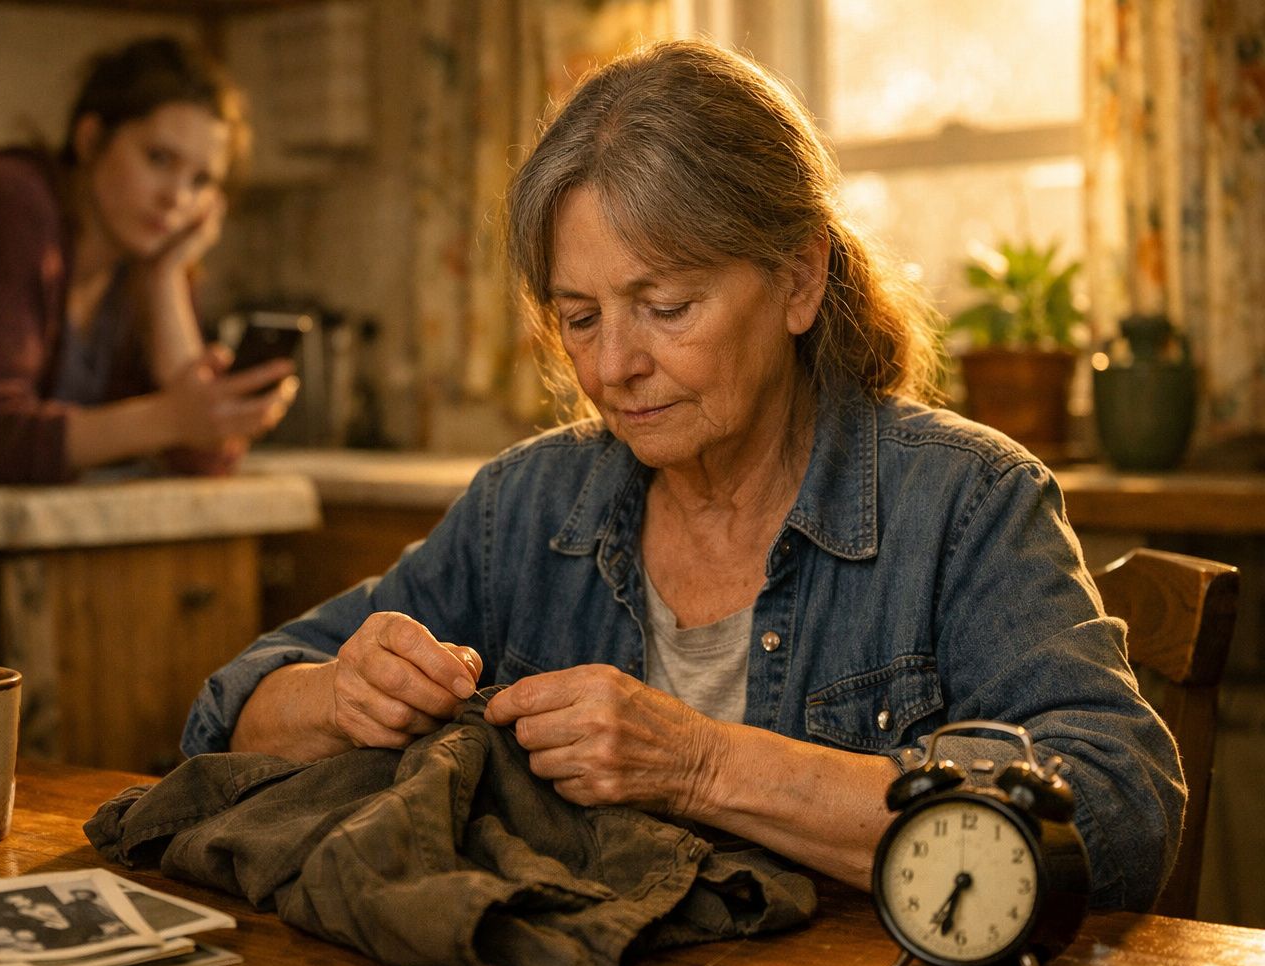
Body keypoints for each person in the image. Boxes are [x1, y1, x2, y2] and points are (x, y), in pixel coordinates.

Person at [181, 39, 1184, 912]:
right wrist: (338, 696)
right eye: (581, 318)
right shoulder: (525, 508)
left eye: (664, 307)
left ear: (799, 279)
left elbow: (1118, 811)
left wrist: (703, 764)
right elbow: (223, 717)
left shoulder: (965, 504)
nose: (613, 366)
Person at [0, 36, 295, 483]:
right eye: (158, 159)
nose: (175, 198)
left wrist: (165, 280)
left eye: (201, 181)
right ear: (90, 138)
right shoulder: (9, 204)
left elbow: (203, 455)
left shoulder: (141, 259)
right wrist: (171, 419)